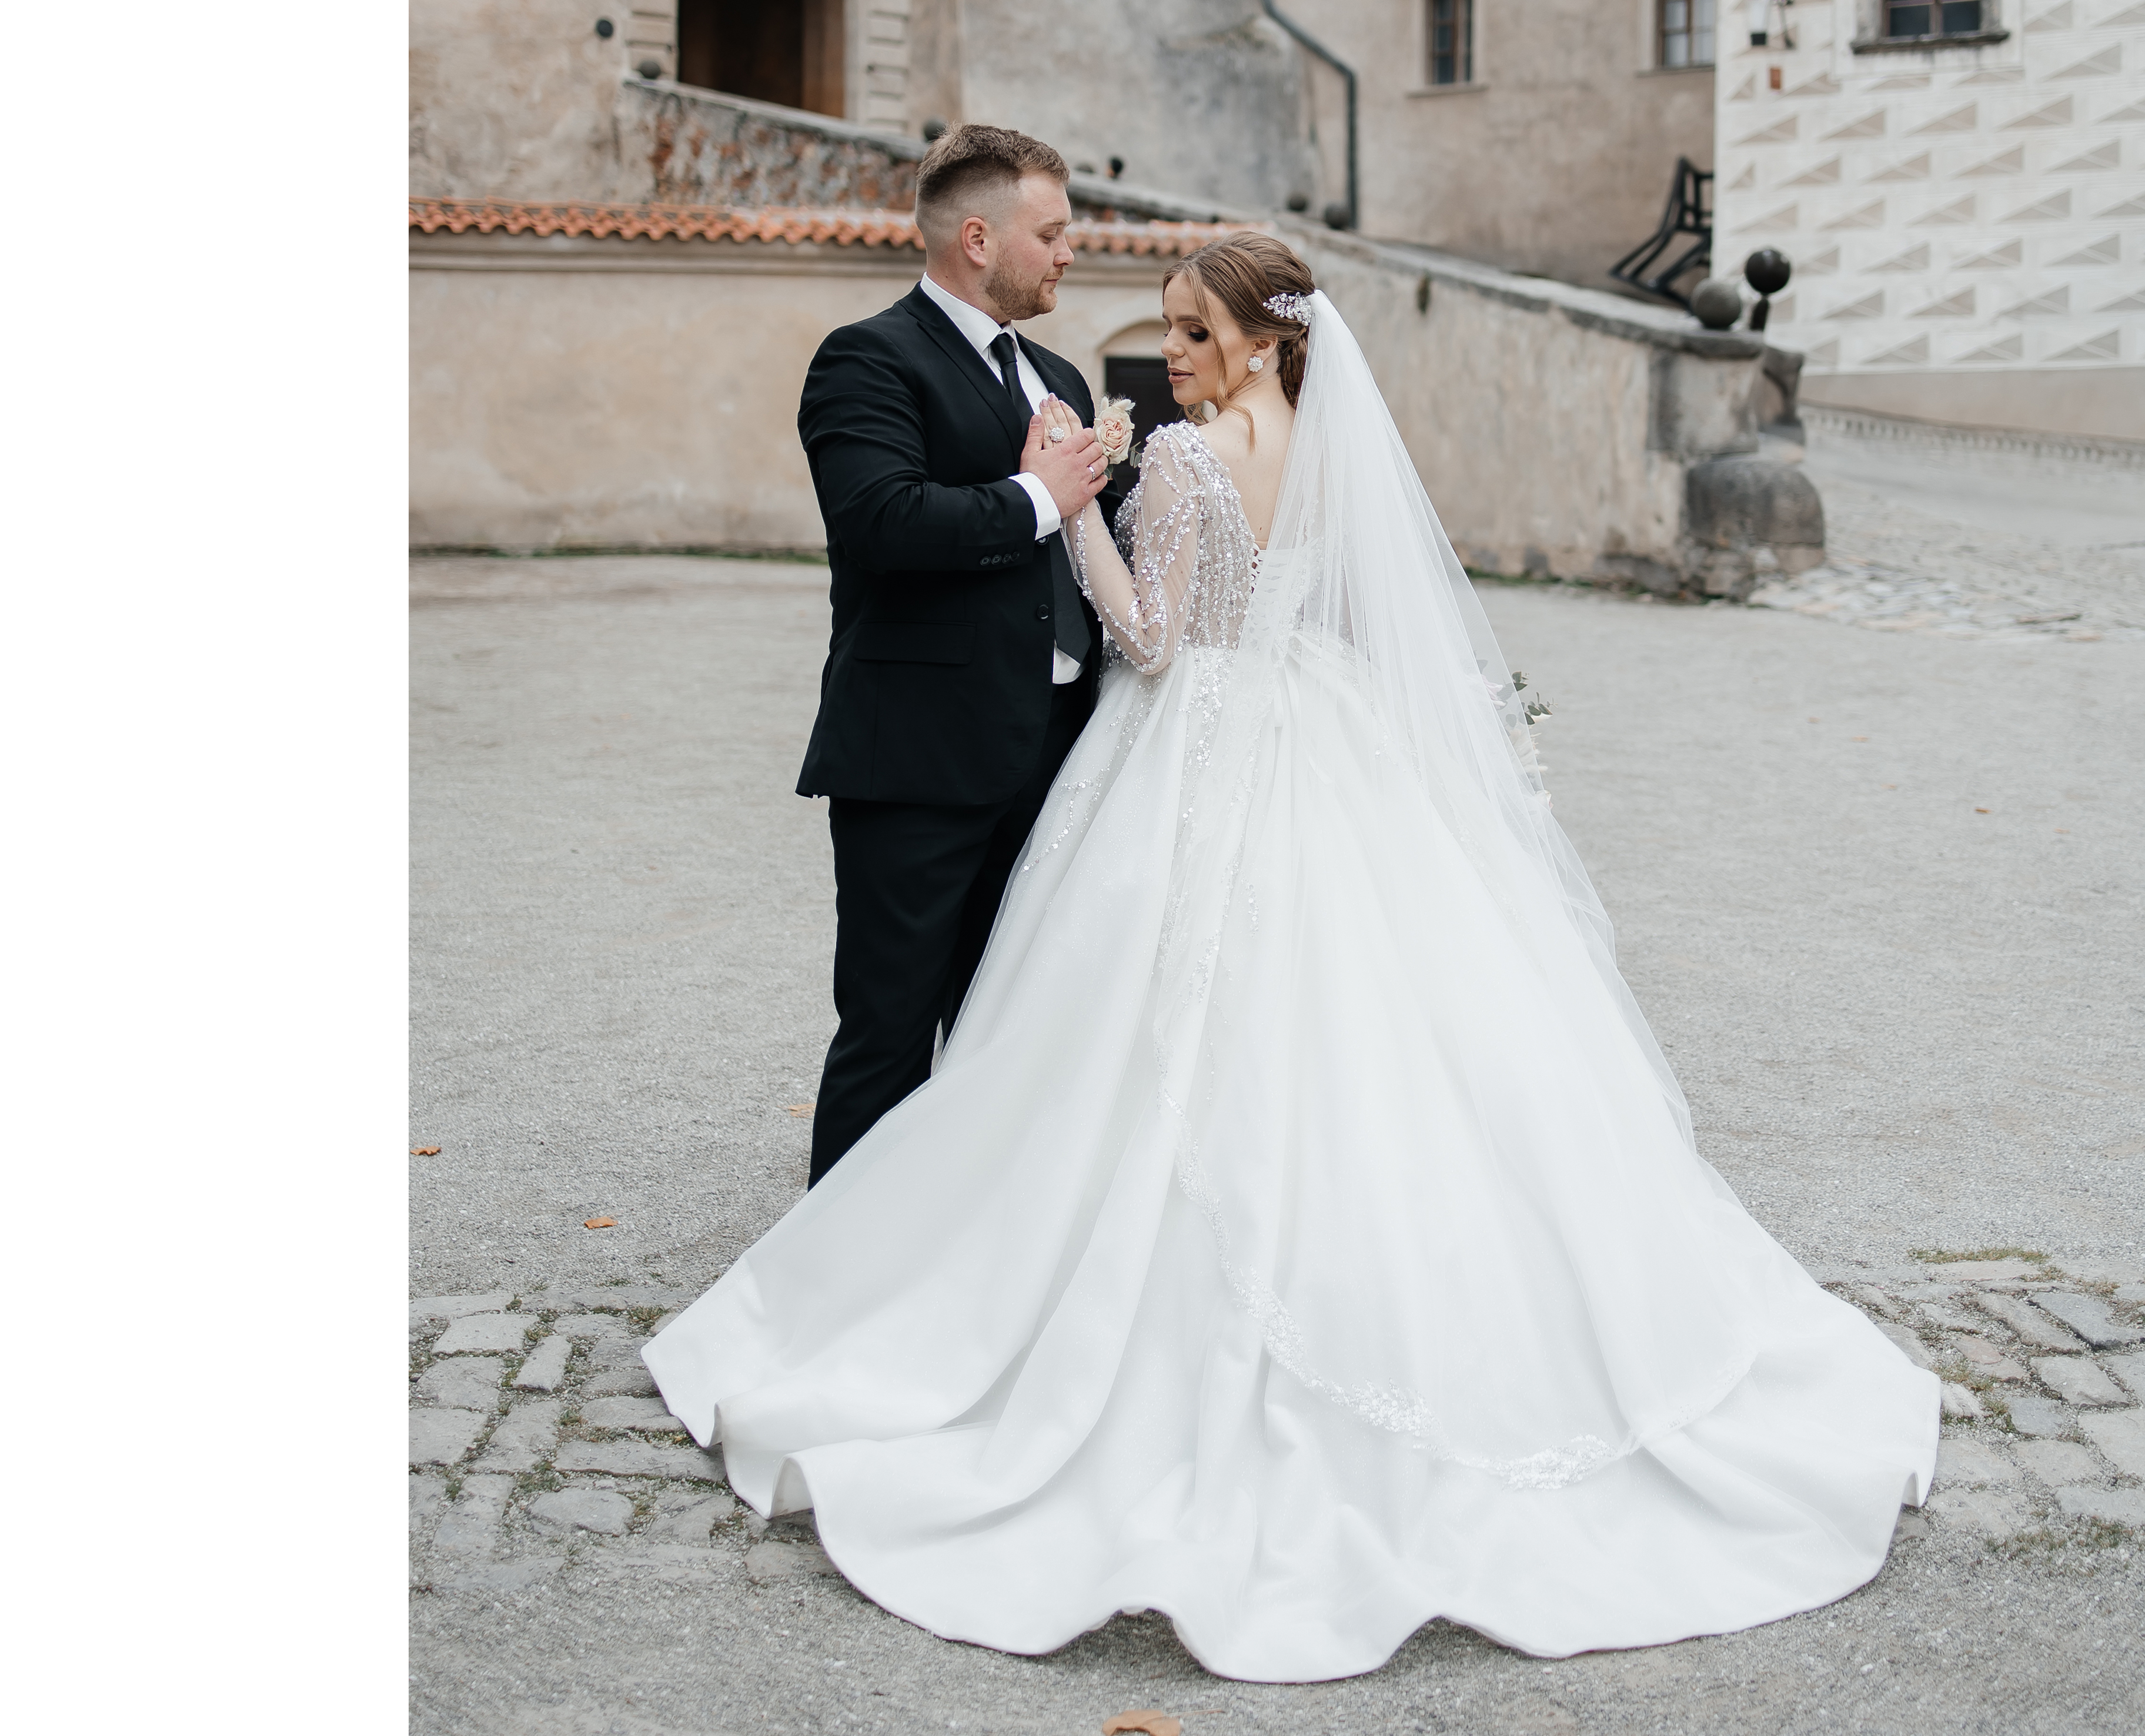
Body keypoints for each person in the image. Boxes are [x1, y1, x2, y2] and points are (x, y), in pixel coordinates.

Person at [644, 231, 1939, 1683]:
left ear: (1261, 340)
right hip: (1318, 735)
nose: (1173, 354)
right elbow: (1328, 614)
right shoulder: (1323, 448)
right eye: (1170, 329)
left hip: (1192, 749)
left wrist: (1069, 507)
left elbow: (1147, 640)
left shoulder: (1184, 459)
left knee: (1145, 1038)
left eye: (1194, 332)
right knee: (1369, 1036)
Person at [790, 123, 1122, 1186]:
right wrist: (1036, 495)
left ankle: (967, 1252)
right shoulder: (867, 359)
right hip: (920, 762)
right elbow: (880, 522)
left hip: (1058, 755)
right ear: (977, 239)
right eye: (1050, 233)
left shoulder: (1057, 373)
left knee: (1010, 1031)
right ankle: (839, 1268)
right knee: (889, 1031)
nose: (1068, 251)